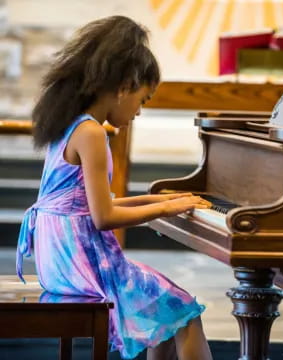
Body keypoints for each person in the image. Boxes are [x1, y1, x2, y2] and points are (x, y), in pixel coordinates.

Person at [15, 15, 213, 360]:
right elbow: (103, 216)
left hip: (58, 255)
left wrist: (160, 198)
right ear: (124, 86)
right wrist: (165, 209)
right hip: (82, 261)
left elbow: (86, 202)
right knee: (184, 312)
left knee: (163, 317)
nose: (139, 111)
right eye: (143, 99)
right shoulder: (91, 133)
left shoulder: (69, 123)